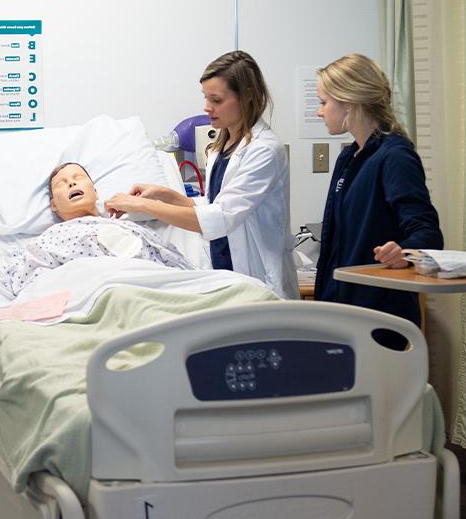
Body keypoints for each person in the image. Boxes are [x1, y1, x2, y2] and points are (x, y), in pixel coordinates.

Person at [104, 51, 296, 298]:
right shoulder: (223, 144)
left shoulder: (264, 150)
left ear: (247, 95)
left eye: (216, 100)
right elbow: (213, 205)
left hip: (259, 275)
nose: (207, 108)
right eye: (206, 98)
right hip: (225, 273)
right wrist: (164, 195)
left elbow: (221, 217)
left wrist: (142, 205)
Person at [313, 53, 442, 329]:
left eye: (324, 102)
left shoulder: (394, 155)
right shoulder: (349, 158)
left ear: (348, 102)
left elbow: (428, 234)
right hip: (342, 309)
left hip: (380, 315)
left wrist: (404, 250)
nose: (319, 111)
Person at [2, 161, 191, 296]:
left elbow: (171, 262)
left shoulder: (130, 227)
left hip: (154, 289)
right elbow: (31, 284)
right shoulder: (49, 238)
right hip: (97, 296)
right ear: (53, 205)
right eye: (62, 183)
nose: (71, 183)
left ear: (96, 192)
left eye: (79, 177)